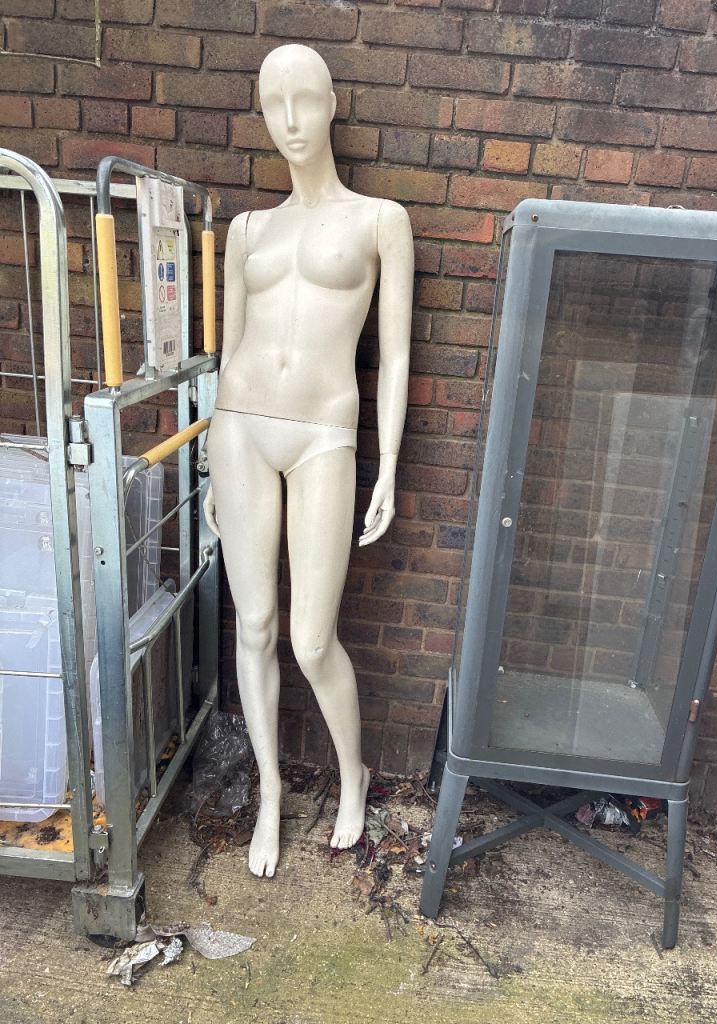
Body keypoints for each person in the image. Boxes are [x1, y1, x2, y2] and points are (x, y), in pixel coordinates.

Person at [203, 43, 414, 878]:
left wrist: (388, 462)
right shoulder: (247, 231)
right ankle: (269, 795)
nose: (290, 119)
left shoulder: (379, 221)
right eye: (273, 102)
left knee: (311, 639)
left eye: (305, 98)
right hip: (240, 429)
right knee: (252, 627)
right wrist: (210, 456)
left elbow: (394, 355)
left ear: (332, 105)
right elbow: (227, 352)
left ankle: (351, 774)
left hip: (326, 431)